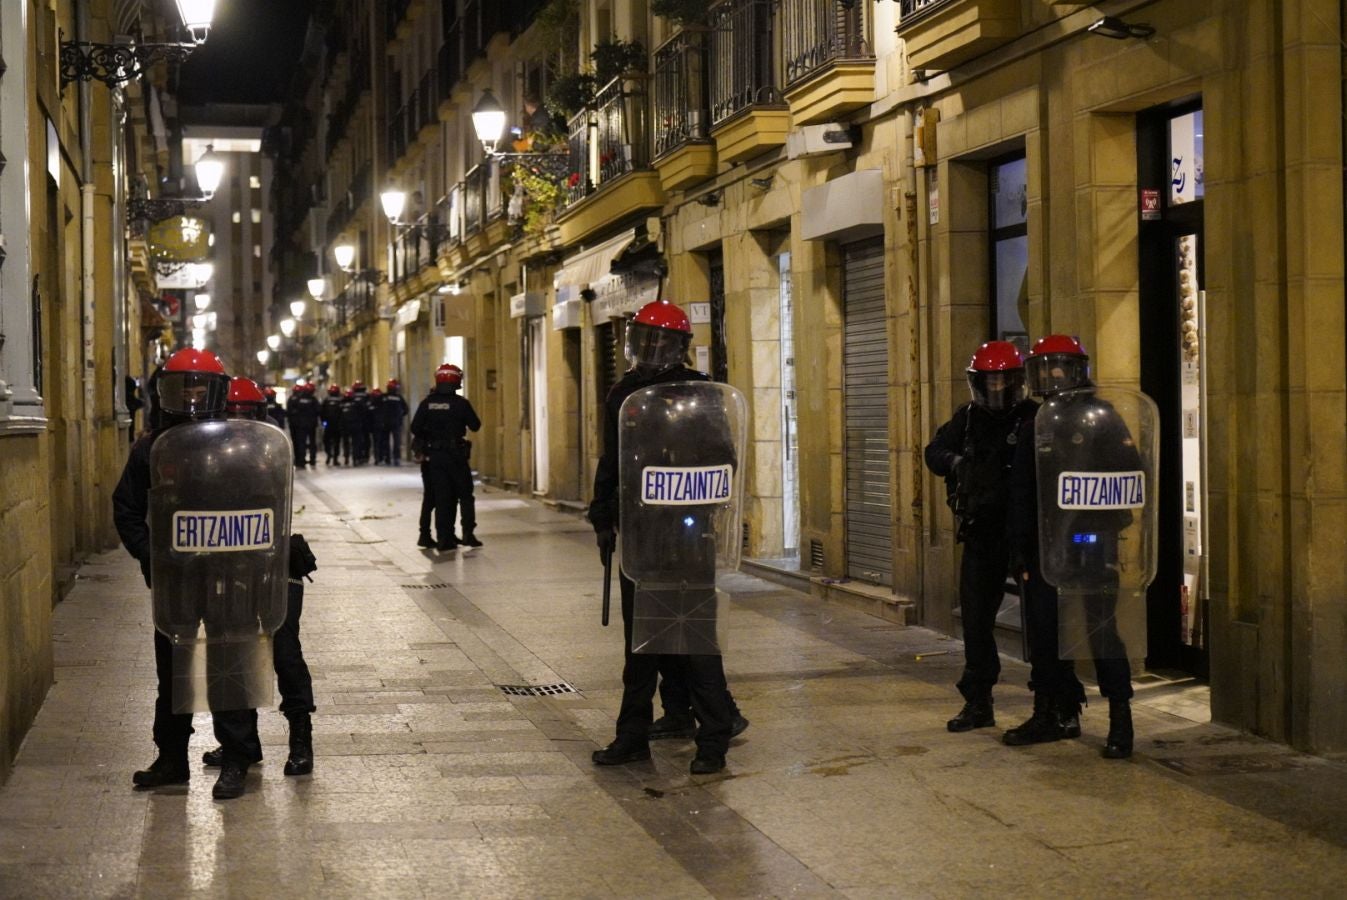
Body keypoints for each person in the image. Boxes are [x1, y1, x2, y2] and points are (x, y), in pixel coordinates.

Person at [588, 300, 739, 775]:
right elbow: (612, 460)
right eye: (645, 339)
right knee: (640, 646)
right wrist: (602, 515)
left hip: (690, 536)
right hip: (642, 535)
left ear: (679, 347)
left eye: (663, 341)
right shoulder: (624, 393)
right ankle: (632, 736)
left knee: (697, 642)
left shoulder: (700, 393)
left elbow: (725, 460)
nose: (652, 349)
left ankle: (713, 740)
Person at [112, 348, 264, 800]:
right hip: (176, 579)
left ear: (216, 391)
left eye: (200, 386)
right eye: (184, 387)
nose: (192, 395)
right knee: (174, 671)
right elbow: (126, 507)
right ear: (166, 392)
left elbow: (263, 503)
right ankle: (172, 758)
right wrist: (150, 556)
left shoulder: (236, 444)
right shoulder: (151, 448)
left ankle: (235, 758)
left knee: (228, 667)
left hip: (229, 576)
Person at [1004, 335, 1138, 758]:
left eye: (1060, 366)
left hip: (1092, 544)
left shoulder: (1104, 418)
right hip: (1046, 547)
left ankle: (1121, 718)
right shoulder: (1035, 424)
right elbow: (1021, 493)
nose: (1054, 376)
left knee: (1102, 631)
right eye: (1045, 368)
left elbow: (1130, 474)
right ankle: (1053, 712)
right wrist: (1021, 552)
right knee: (1045, 633)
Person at [192, 377, 316, 777]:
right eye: (233, 414)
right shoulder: (210, 454)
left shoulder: (272, 450)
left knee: (285, 653)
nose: (240, 422)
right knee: (236, 652)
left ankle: (301, 739)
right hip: (231, 568)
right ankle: (243, 743)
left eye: (247, 414)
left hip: (274, 565)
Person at [923, 341, 1038, 732]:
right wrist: (957, 462)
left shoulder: (1033, 417)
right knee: (975, 621)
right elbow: (934, 452)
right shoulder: (969, 418)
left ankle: (1052, 702)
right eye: (991, 381)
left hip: (1028, 535)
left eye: (1004, 381)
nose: (998, 388)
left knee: (1043, 621)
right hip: (982, 532)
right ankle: (978, 701)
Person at [410, 364, 482, 550]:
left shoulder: (427, 403)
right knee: (465, 495)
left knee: (442, 497)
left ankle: (444, 538)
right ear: (457, 380)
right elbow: (475, 425)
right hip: (456, 456)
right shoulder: (461, 403)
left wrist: (431, 435)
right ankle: (468, 534)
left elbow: (415, 428)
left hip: (435, 457)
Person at [287, 382, 321, 468]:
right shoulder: (313, 399)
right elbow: (318, 411)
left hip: (301, 425)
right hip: (311, 425)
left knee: (301, 442)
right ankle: (312, 460)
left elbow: (292, 411)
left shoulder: (297, 399)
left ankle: (301, 461)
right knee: (312, 442)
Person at [382, 379, 410, 466]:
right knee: (396, 441)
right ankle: (396, 458)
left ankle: (387, 458)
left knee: (385, 441)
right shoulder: (399, 397)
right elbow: (406, 409)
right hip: (396, 423)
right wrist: (400, 416)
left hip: (385, 422)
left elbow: (378, 409)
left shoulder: (384, 397)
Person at [321, 384, 344, 465]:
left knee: (327, 441)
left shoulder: (326, 400)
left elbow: (322, 412)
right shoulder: (340, 400)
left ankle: (329, 455)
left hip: (328, 425)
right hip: (337, 425)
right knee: (336, 442)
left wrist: (324, 422)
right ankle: (335, 458)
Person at [368, 388, 389, 464]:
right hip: (381, 425)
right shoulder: (384, 404)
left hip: (377, 426)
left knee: (377, 443)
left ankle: (378, 458)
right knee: (383, 442)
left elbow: (368, 417)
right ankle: (382, 457)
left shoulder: (372, 405)